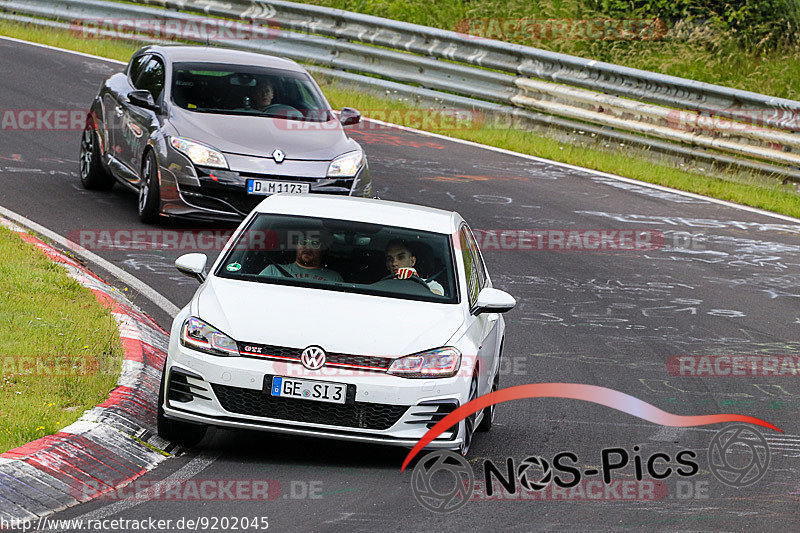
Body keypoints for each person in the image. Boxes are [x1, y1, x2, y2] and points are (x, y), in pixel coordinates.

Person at [261, 231, 343, 282]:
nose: (307, 247)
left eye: (314, 244)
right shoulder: (273, 271)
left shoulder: (334, 278)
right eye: (303, 242)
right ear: (296, 246)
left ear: (323, 250)